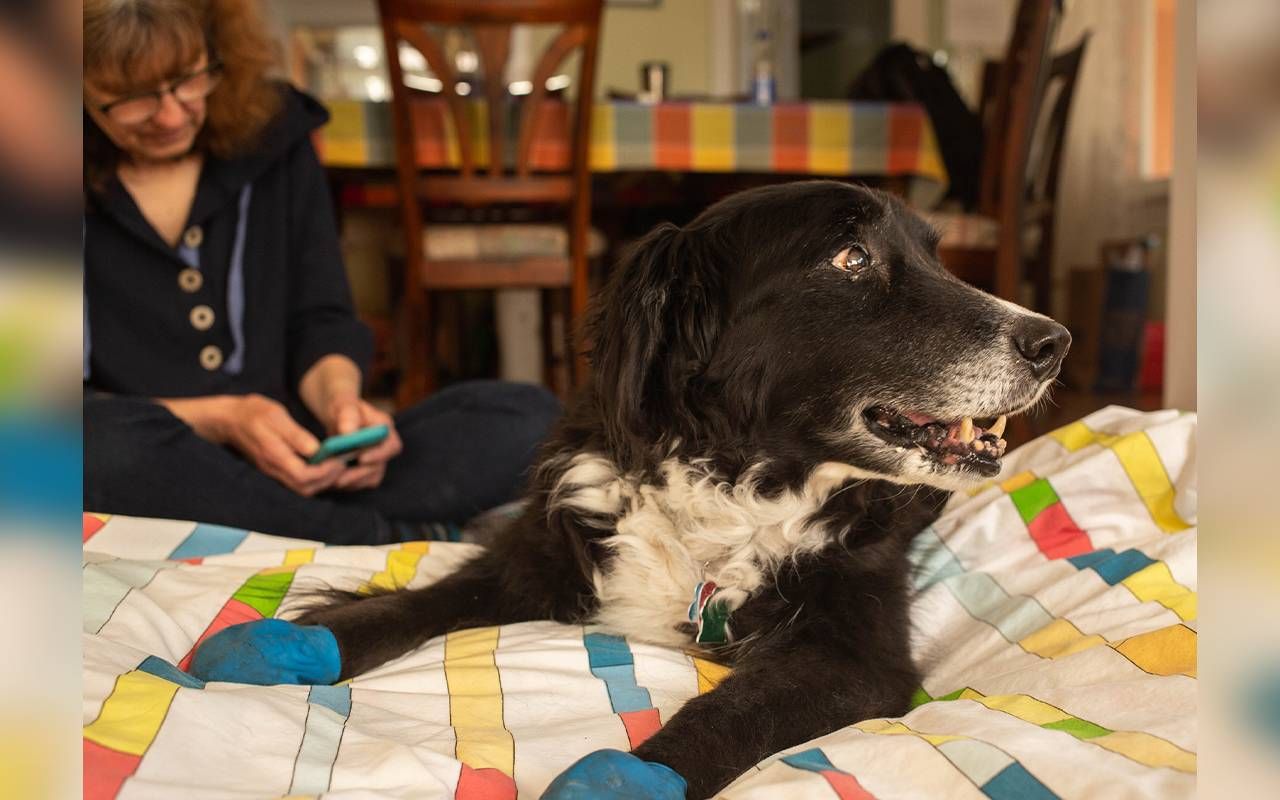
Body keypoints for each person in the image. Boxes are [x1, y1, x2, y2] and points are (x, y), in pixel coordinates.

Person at [82, 0, 560, 545]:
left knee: (528, 416)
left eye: (188, 79)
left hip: (302, 459)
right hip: (152, 459)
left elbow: (321, 316)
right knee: (82, 447)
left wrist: (340, 404)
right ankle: (366, 535)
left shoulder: (275, 133)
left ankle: (289, 524)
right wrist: (224, 417)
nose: (170, 115)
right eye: (132, 98)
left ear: (218, 52)